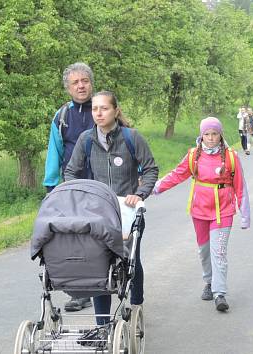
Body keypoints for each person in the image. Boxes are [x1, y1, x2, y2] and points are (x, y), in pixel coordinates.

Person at [64, 91, 159, 328]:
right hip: (98, 212)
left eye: (104, 108)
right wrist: (81, 196)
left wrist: (139, 194)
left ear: (115, 111)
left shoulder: (131, 137)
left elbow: (150, 169)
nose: (98, 113)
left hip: (128, 212)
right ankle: (102, 324)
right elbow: (71, 173)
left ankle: (136, 306)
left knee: (131, 259)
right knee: (99, 264)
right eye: (94, 109)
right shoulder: (86, 140)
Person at [152, 117, 250, 312]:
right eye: (207, 134)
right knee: (204, 251)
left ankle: (219, 293)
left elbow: (240, 186)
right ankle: (209, 281)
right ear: (201, 135)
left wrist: (245, 215)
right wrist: (154, 188)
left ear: (220, 135)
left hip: (223, 211)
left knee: (219, 252)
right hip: (199, 211)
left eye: (214, 134)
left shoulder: (231, 156)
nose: (211, 138)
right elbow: (177, 175)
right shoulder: (193, 155)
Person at [42, 62, 95, 312]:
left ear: (91, 83)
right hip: (72, 186)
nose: (81, 86)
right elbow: (55, 151)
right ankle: (80, 293)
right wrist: (51, 187)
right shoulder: (61, 116)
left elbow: (124, 141)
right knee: (75, 240)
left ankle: (108, 283)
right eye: (75, 82)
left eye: (84, 80)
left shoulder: (102, 108)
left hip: (103, 185)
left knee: (101, 236)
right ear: (68, 87)